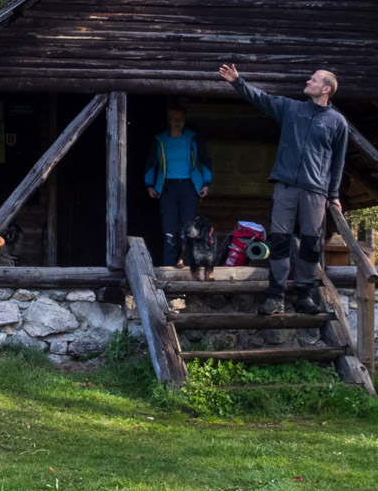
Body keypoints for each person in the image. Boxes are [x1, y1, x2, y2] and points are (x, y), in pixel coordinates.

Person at [217, 63, 347, 315]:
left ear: (326, 88)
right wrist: (237, 81)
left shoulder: (337, 122)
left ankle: (305, 297)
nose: (308, 81)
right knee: (279, 242)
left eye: (313, 79)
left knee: (310, 245)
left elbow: (338, 161)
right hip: (285, 186)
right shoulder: (292, 108)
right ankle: (275, 297)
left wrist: (334, 194)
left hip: (315, 191)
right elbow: (262, 99)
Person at [144, 105, 212, 266]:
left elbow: (205, 160)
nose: (177, 122)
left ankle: (189, 266)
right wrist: (150, 185)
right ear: (168, 120)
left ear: (184, 120)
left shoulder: (192, 138)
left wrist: (206, 183)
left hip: (189, 187)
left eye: (180, 118)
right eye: (174, 118)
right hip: (167, 188)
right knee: (169, 227)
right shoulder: (160, 140)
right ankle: (168, 266)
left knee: (189, 227)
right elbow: (151, 164)